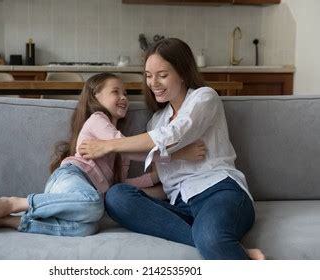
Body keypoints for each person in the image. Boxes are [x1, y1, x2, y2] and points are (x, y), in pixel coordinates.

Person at [78, 38, 265, 260]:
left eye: (162, 75)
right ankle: (228, 247)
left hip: (219, 192)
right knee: (117, 196)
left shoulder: (204, 97)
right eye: (148, 75)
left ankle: (216, 242)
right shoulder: (156, 120)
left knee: (211, 237)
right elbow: (153, 154)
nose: (153, 82)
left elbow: (172, 135)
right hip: (179, 204)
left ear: (183, 73)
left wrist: (108, 146)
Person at [0, 72, 205, 236]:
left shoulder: (119, 147)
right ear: (96, 98)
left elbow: (122, 185)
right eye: (116, 92)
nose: (124, 97)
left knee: (86, 227)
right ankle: (15, 202)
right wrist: (178, 154)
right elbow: (125, 146)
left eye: (125, 93)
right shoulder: (98, 121)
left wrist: (157, 180)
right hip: (71, 179)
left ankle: (10, 221)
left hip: (82, 197)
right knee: (93, 205)